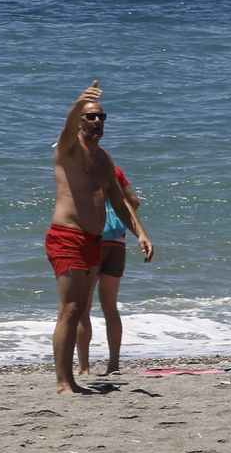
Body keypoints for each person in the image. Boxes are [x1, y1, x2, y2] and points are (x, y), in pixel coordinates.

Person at [47, 82, 154, 394]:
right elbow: (66, 129)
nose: (96, 122)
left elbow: (120, 202)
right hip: (66, 236)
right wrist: (77, 104)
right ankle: (64, 381)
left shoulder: (105, 159)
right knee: (69, 309)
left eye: (101, 117)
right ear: (80, 120)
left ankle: (72, 378)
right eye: (90, 117)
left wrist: (141, 233)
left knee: (80, 308)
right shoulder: (67, 150)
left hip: (94, 241)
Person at [76, 164, 140, 377]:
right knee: (110, 307)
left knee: (83, 308)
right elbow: (134, 201)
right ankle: (114, 364)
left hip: (93, 240)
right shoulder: (115, 170)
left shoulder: (78, 168)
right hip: (117, 243)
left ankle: (84, 367)